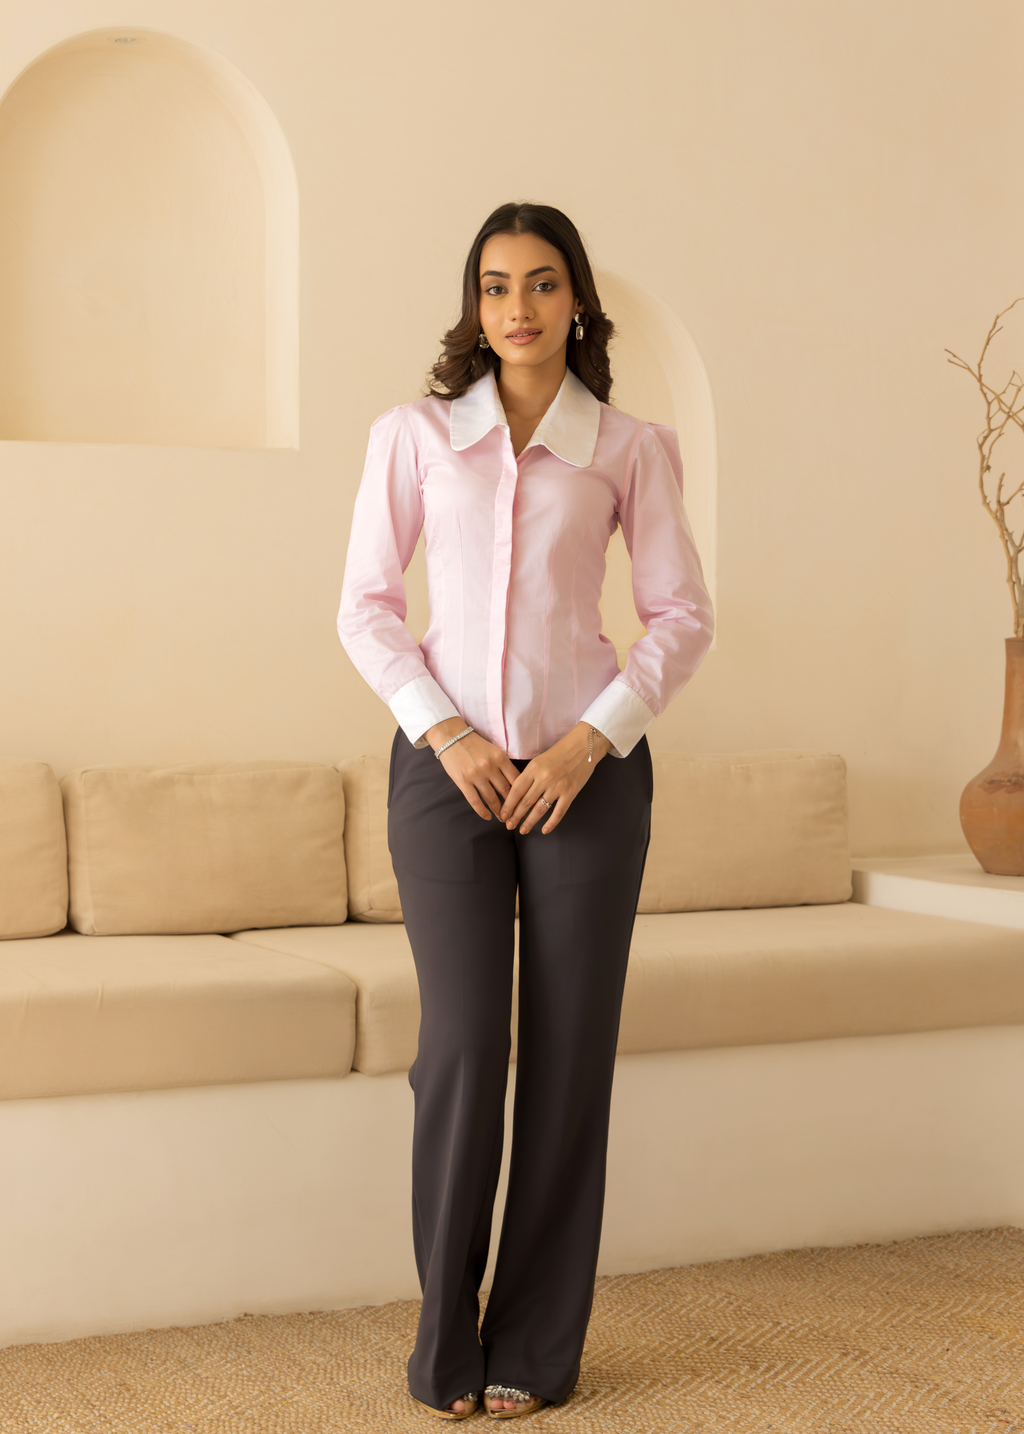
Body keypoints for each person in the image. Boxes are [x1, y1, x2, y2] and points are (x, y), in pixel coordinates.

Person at [338, 201, 713, 1421]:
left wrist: (587, 742)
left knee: (567, 1061)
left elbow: (679, 616)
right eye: (496, 286)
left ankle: (534, 1350)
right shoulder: (414, 438)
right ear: (474, 304)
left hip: (584, 783)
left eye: (541, 285)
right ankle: (445, 1343)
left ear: (576, 301)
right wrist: (441, 729)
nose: (517, 308)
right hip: (444, 778)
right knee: (460, 1048)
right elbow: (365, 607)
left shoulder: (629, 447)